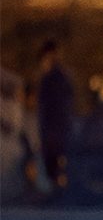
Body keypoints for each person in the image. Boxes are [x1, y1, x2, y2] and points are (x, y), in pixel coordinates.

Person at [34, 40, 73, 197]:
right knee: (55, 158)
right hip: (57, 124)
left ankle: (56, 191)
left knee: (53, 157)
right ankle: (57, 190)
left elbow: (49, 104)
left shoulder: (53, 77)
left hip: (54, 125)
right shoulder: (58, 76)